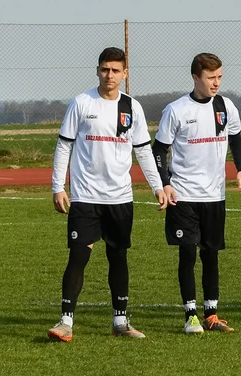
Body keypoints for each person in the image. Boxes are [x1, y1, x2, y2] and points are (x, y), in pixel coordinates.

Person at [48, 47, 168, 342]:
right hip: (85, 196)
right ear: (98, 71)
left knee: (118, 257)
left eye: (115, 70)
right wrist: (58, 186)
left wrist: (157, 186)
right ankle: (65, 322)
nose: (109, 75)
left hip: (119, 198)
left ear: (125, 73)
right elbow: (64, 145)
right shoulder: (81, 103)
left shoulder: (132, 107)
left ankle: (120, 322)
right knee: (78, 256)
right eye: (104, 69)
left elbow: (143, 151)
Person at [152, 53, 241, 335]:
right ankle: (190, 315)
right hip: (183, 195)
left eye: (219, 77)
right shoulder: (176, 110)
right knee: (187, 253)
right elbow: (159, 150)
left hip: (215, 195)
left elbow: (236, 139)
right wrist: (165, 183)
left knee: (211, 254)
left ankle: (211, 314)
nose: (216, 83)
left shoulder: (226, 106)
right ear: (196, 78)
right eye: (210, 78)